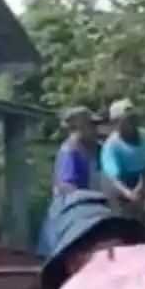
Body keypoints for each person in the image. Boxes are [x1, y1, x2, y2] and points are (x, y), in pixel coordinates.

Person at [37, 107, 100, 255]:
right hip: (67, 217)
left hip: (82, 215)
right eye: (92, 125)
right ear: (79, 127)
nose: (96, 129)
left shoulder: (91, 150)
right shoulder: (70, 151)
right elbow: (67, 185)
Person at [99, 99, 145, 221]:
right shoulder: (112, 146)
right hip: (120, 188)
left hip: (143, 181)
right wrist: (129, 194)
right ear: (116, 123)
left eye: (133, 118)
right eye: (127, 119)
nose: (132, 122)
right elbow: (113, 178)